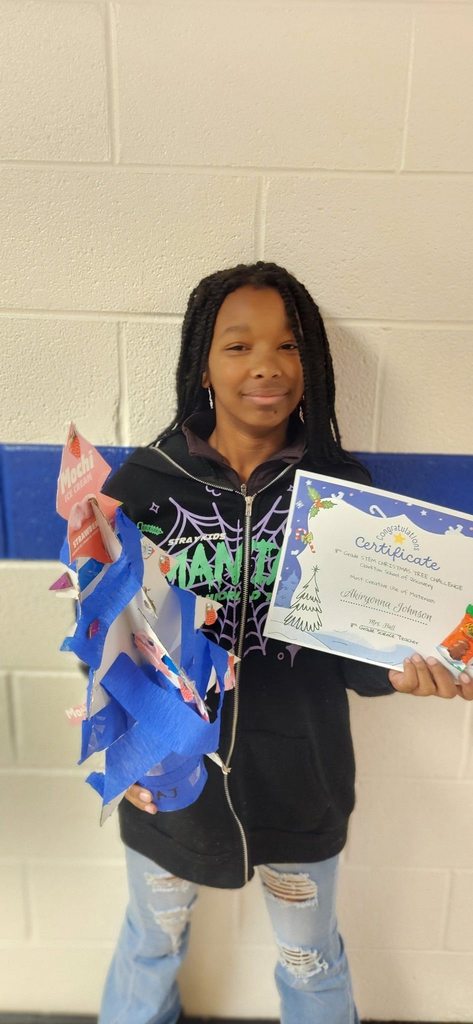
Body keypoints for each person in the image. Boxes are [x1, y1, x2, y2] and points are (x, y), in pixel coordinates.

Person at [98, 261, 472, 1024]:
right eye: (238, 346)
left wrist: (403, 671)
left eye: (289, 345)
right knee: (149, 943)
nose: (266, 365)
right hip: (170, 782)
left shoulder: (344, 496)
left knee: (311, 960)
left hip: (301, 781)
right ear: (203, 364)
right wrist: (116, 742)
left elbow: (354, 656)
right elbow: (110, 645)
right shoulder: (142, 487)